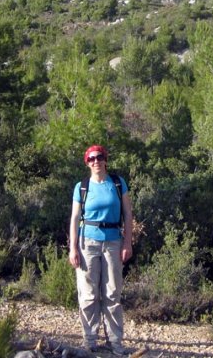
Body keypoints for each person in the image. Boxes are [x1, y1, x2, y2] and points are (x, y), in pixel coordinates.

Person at [69, 145, 134, 355]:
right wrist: (73, 248)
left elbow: (128, 215)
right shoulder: (82, 187)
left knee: (112, 293)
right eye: (91, 159)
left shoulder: (117, 183)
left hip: (114, 241)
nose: (96, 162)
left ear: (105, 160)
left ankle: (115, 343)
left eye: (99, 158)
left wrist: (127, 243)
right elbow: (75, 218)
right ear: (87, 163)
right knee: (88, 294)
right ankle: (90, 342)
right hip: (87, 242)